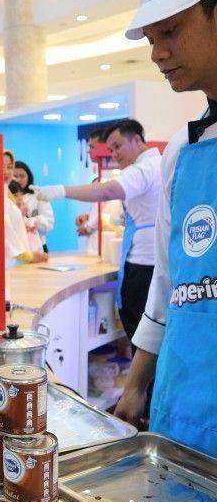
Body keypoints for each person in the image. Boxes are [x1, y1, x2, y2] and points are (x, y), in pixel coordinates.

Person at [114, 0, 217, 456]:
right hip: (185, 400)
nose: (157, 53)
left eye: (171, 31)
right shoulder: (182, 151)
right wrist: (137, 381)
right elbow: (170, 281)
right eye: (151, 38)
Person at [35, 119, 162, 344]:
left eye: (117, 146)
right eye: (110, 149)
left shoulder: (143, 168)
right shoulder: (158, 164)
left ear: (137, 139)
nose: (113, 154)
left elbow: (108, 191)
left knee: (140, 333)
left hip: (144, 264)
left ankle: (144, 380)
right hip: (151, 259)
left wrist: (61, 190)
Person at [12, 160, 55, 252]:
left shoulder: (38, 195)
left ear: (28, 177)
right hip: (16, 248)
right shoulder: (5, 196)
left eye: (22, 176)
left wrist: (35, 222)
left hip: (37, 245)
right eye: (15, 176)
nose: (18, 179)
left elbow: (49, 222)